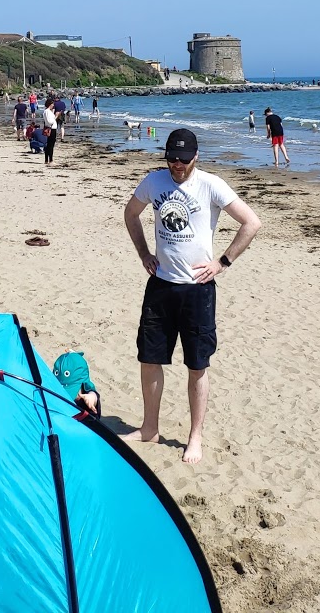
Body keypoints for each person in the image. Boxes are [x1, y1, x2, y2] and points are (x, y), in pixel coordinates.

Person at [122, 128, 261, 464]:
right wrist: (143, 253)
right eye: (172, 158)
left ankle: (195, 437)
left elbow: (251, 223)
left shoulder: (211, 184)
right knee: (149, 358)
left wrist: (222, 262)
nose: (177, 165)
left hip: (198, 290)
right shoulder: (154, 182)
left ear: (195, 157)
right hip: (161, 285)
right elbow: (131, 214)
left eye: (184, 159)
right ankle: (149, 428)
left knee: (197, 365)